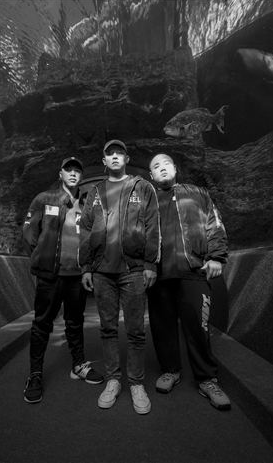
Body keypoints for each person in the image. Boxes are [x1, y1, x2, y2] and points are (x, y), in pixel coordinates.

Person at [79, 139, 160, 414]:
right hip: (102, 271)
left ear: (127, 159)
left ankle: (136, 383)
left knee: (136, 330)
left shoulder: (142, 187)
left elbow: (153, 225)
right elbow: (86, 230)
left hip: (134, 269)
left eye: (119, 153)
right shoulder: (95, 191)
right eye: (110, 154)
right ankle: (113, 380)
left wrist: (150, 263)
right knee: (108, 329)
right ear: (104, 161)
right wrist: (86, 267)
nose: (115, 157)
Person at [147, 153, 232, 410]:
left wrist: (216, 256)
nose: (162, 169)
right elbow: (140, 235)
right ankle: (170, 370)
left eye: (166, 164)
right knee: (162, 327)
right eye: (156, 167)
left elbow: (214, 224)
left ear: (175, 168)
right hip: (159, 275)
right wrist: (145, 266)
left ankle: (207, 379)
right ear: (151, 175)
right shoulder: (148, 200)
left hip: (193, 271)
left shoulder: (198, 193)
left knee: (198, 327)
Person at [22, 156, 104, 404]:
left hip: (76, 276)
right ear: (60, 174)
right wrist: (42, 257)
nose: (73, 173)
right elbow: (29, 233)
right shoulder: (44, 199)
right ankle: (35, 374)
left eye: (77, 170)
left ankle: (78, 365)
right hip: (51, 276)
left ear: (81, 176)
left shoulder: (88, 203)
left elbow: (93, 236)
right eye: (68, 170)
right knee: (42, 324)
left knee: (75, 322)